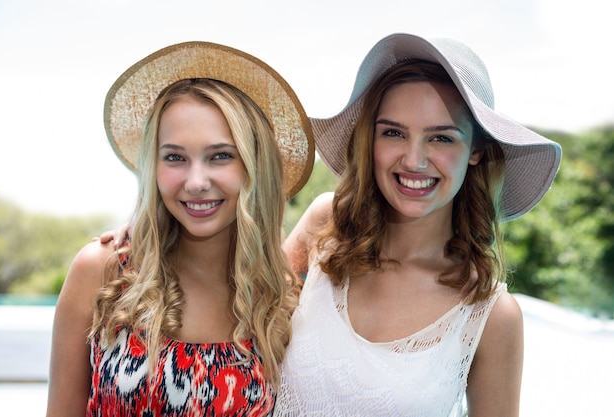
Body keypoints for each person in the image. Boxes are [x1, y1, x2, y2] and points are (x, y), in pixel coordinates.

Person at [274, 34, 561, 416]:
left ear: (476, 150)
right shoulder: (326, 226)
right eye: (393, 133)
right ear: (370, 139)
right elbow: (239, 332)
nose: (414, 160)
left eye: (441, 138)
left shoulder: (490, 315)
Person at [46, 41, 314, 416]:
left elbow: (332, 212)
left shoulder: (278, 299)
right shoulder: (103, 271)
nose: (195, 182)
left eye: (220, 156)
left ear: (255, 166)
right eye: (175, 158)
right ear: (153, 167)